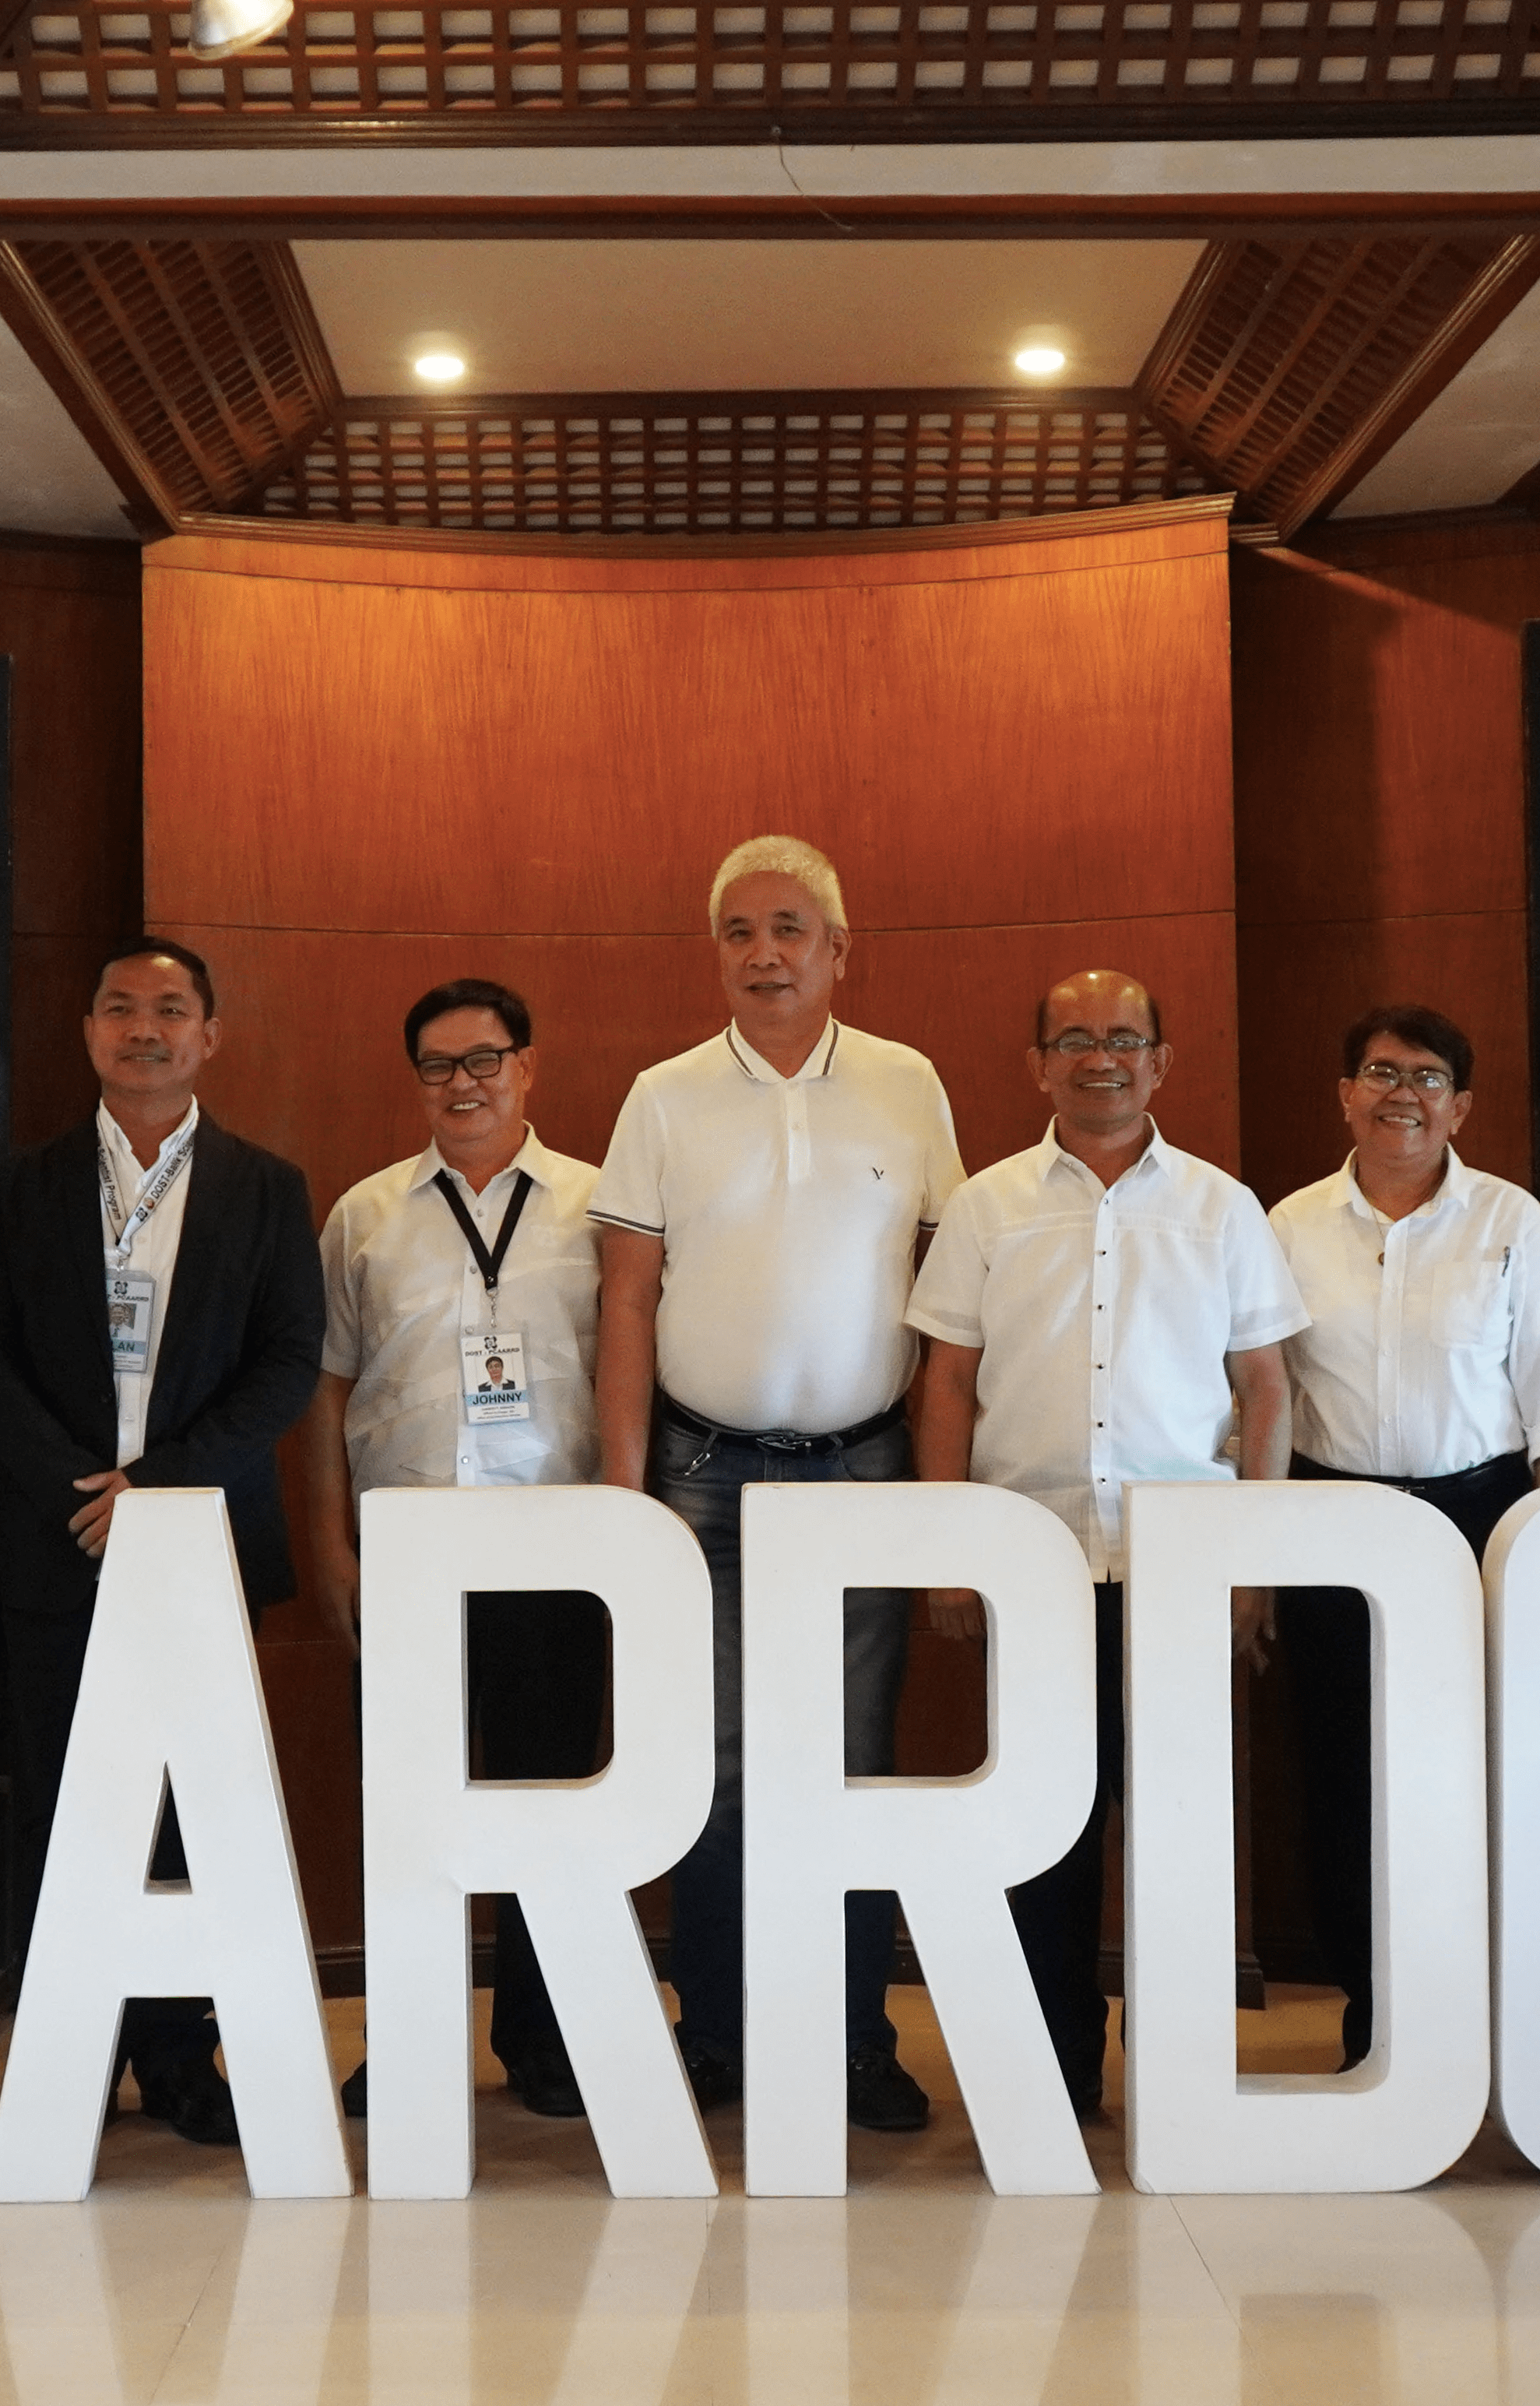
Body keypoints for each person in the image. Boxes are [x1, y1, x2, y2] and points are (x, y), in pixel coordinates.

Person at [590, 835, 964, 2128]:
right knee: (719, 1766)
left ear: (839, 949)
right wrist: (624, 1491)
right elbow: (627, 1297)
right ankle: (722, 2031)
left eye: (791, 928)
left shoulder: (908, 1084)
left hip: (863, 1465)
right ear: (718, 953)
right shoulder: (663, 1094)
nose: (765, 953)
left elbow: (947, 1287)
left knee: (851, 1763)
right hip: (699, 1473)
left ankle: (856, 2037)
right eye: (741, 930)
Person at [909, 969, 1303, 2115]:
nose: (1100, 1059)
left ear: (1160, 1060)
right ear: (1036, 1064)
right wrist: (946, 1550)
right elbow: (944, 1385)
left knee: (1175, 1828)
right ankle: (1049, 2075)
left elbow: (1265, 1390)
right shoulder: (985, 1205)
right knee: (1041, 1834)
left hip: (1175, 1568)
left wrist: (1248, 1560)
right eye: (1072, 1040)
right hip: (1030, 1566)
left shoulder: (1222, 1208)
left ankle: (1178, 2076)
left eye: (1123, 1039)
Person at [0, 937, 322, 2148]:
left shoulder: (266, 1186)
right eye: (120, 1007)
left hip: (199, 1533)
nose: (144, 1028)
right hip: (56, 1536)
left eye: (171, 1009)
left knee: (187, 1805)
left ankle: (177, 2055)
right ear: (87, 1030)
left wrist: (156, 1486)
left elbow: (283, 1364)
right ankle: (70, 2052)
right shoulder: (22, 1183)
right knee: (63, 1797)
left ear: (208, 1035)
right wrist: (84, 1486)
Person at [1266, 1003, 1540, 2067]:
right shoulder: (1285, 1225)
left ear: (1459, 1104)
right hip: (1332, 1524)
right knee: (1342, 1777)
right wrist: (1258, 1563)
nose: (1399, 1093)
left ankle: (1476, 2021)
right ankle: (1373, 2019)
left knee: (1471, 1775)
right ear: (1342, 1095)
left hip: (1479, 1519)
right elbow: (1257, 1398)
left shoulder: (1509, 1220)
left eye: (1425, 1076)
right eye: (1376, 1071)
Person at [306, 977, 606, 2119]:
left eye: (485, 1059)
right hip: (409, 1551)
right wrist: (331, 1550)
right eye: (437, 1065)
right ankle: (414, 2038)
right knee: (410, 1814)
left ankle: (544, 2041)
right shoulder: (365, 1215)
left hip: (556, 1549)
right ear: (415, 1080)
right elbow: (326, 1395)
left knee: (550, 1806)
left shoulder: (595, 1203)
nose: (464, 1082)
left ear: (527, 1066)